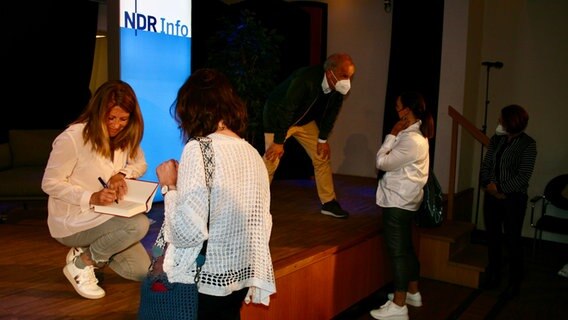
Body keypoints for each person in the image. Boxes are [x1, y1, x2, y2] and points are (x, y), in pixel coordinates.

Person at [156, 68, 276, 320]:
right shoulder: (252, 153)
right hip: (240, 272)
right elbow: (262, 223)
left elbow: (187, 233)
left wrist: (169, 187)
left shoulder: (198, 149)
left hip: (206, 276)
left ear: (191, 109)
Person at [41, 80, 150, 300]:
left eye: (123, 119)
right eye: (111, 118)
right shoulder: (73, 137)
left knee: (140, 271)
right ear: (99, 111)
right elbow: (49, 183)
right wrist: (90, 196)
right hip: (73, 221)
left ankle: (87, 252)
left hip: (108, 216)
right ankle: (82, 264)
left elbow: (141, 164)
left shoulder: (125, 136)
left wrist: (122, 174)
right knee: (139, 224)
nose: (117, 125)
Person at [262, 53, 356, 219]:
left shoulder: (337, 89)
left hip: (304, 121)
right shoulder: (306, 79)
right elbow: (286, 108)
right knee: (271, 159)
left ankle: (329, 202)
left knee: (322, 155)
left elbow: (331, 114)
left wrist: (322, 139)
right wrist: (278, 141)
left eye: (350, 76)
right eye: (344, 75)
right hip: (279, 118)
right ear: (330, 72)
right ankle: (256, 203)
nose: (347, 81)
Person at [371, 91, 435, 320]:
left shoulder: (409, 138)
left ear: (407, 109)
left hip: (398, 201)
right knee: (406, 248)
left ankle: (399, 306)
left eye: (398, 107)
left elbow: (381, 162)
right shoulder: (418, 133)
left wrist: (391, 135)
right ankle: (412, 292)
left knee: (397, 252)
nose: (396, 111)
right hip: (407, 199)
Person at [480, 104, 537, 299]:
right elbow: (487, 163)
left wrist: (501, 189)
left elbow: (523, 176)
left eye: (501, 118)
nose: (498, 121)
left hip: (513, 199)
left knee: (513, 240)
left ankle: (515, 281)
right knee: (493, 237)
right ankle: (494, 275)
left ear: (511, 121)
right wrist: (488, 185)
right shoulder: (497, 139)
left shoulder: (528, 144)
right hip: (492, 196)